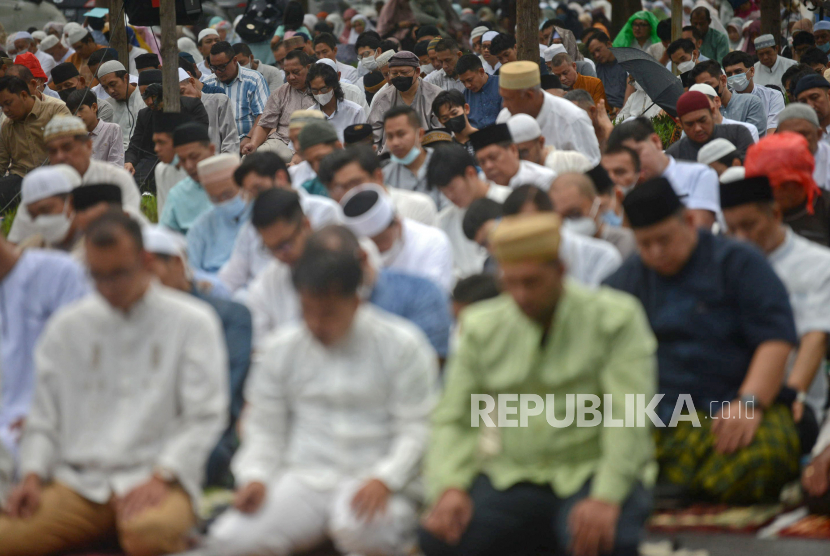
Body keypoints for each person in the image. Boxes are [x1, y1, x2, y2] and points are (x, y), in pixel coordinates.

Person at [420, 212, 656, 556]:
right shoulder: (482, 325)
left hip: (592, 468)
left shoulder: (615, 317)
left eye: (531, 282)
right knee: (442, 536)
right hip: (515, 474)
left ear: (560, 270)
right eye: (510, 283)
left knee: (602, 542)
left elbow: (630, 415)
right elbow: (454, 417)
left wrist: (606, 496)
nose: (520, 295)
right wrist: (450, 486)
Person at [194, 225, 438, 556]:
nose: (317, 324)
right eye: (307, 311)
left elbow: (417, 426)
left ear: (355, 300)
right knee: (230, 539)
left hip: (376, 475)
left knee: (357, 529)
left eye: (328, 313)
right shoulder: (284, 348)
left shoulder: (402, 344)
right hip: (305, 476)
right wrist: (256, 476)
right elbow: (265, 427)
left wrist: (387, 478)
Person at [0, 210, 229, 556]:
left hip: (157, 479)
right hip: (79, 483)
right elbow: (44, 415)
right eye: (97, 276)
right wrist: (32, 475)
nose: (108, 287)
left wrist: (163, 474)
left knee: (149, 534)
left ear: (146, 261)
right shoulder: (69, 326)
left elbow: (205, 414)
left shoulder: (192, 322)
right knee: (8, 537)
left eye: (119, 274)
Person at [603, 177, 801, 504]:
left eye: (663, 240)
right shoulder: (628, 279)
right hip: (658, 413)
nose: (655, 252)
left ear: (691, 222)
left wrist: (748, 403)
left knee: (763, 457)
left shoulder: (739, 263)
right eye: (644, 244)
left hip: (734, 404)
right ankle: (679, 486)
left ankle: (670, 488)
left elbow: (775, 341)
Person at [141, 225, 252, 487]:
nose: (146, 283)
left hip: (207, 432)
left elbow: (225, 389)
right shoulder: (137, 320)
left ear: (178, 264)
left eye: (151, 270)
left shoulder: (229, 316)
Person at [721, 175, 830, 440]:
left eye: (749, 226)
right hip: (726, 402)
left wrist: (793, 395)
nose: (741, 238)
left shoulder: (818, 264)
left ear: (775, 213)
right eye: (731, 229)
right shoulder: (721, 264)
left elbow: (814, 337)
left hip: (792, 404)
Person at [0, 167, 89, 459]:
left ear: (70, 204)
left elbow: (78, 352)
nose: (43, 222)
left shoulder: (63, 270)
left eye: (47, 210)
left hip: (51, 411)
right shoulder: (34, 250)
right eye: (35, 215)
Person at [218, 152, 342, 294]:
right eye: (250, 193)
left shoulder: (325, 212)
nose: (256, 199)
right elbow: (230, 281)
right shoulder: (251, 227)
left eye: (258, 189)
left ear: (280, 178)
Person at [608, 116, 720, 229]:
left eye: (637, 153)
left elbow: (700, 228)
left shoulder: (698, 174)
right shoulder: (624, 190)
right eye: (626, 162)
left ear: (655, 141)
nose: (635, 164)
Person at [341, 184, 453, 291]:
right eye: (369, 243)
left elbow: (430, 299)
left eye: (379, 241)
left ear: (397, 223)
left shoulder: (431, 242)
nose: (374, 248)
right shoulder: (353, 252)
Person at [427, 144, 511, 278]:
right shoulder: (443, 222)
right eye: (444, 192)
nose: (450, 197)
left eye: (452, 188)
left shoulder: (509, 201)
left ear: (470, 173)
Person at [496, 61, 600, 166]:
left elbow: (591, 169)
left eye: (508, 99)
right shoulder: (505, 118)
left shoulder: (572, 119)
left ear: (529, 96)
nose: (504, 105)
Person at [745, 132, 830, 247]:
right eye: (768, 186)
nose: (776, 191)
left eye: (783, 185)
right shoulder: (748, 213)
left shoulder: (825, 206)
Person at [0, 76, 70, 207]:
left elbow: (73, 148)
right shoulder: (7, 126)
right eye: (2, 106)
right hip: (21, 181)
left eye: (8, 103)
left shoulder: (56, 111)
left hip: (57, 176)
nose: (5, 110)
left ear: (23, 95)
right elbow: (1, 164)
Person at [243, 50, 315, 162]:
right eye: (287, 73)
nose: (291, 77)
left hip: (312, 142)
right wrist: (253, 144)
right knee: (249, 158)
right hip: (282, 141)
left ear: (308, 68)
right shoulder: (280, 92)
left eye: (296, 72)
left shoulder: (320, 90)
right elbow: (264, 125)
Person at [202, 41, 269, 155]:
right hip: (218, 147)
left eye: (222, 67)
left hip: (248, 143)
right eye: (214, 67)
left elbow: (263, 115)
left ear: (234, 60)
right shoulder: (207, 83)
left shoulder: (253, 79)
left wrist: (249, 138)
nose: (218, 71)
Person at [368, 51, 443, 153]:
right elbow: (373, 139)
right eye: (394, 73)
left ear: (417, 72)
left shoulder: (435, 95)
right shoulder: (382, 99)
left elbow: (441, 135)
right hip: (391, 157)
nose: (399, 76)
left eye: (404, 72)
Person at [186, 154, 248, 274]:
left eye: (228, 195)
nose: (223, 203)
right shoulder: (201, 227)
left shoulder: (260, 217)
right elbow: (191, 271)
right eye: (215, 199)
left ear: (243, 185)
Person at [550, 172, 637, 258]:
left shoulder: (625, 243)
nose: (566, 223)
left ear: (596, 204)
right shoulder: (557, 252)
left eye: (574, 213)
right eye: (559, 218)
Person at [381, 105, 445, 209]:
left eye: (401, 134)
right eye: (390, 136)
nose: (395, 142)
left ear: (419, 134)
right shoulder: (385, 177)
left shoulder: (446, 163)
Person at [667, 91, 755, 165]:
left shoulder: (738, 134)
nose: (698, 128)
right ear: (680, 123)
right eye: (690, 124)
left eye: (702, 120)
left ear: (713, 112)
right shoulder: (674, 155)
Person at [160, 122, 215, 234]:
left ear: (211, 150)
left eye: (194, 157)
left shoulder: (237, 182)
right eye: (182, 160)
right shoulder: (178, 195)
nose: (189, 166)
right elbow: (166, 239)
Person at [690, 60, 767, 138]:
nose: (706, 90)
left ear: (723, 80)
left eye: (708, 85)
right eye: (701, 88)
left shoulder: (751, 102)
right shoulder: (704, 111)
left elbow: (752, 138)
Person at [469, 123, 557, 191]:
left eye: (493, 157)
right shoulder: (478, 185)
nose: (488, 166)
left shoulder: (544, 179)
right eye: (482, 162)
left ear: (513, 150)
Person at [178, 67, 240, 155]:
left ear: (192, 82)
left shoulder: (219, 101)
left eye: (182, 91)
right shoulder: (177, 112)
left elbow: (230, 141)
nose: (182, 98)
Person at [506, 112, 591, 174]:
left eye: (523, 153)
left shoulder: (573, 162)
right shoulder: (510, 175)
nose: (518, 160)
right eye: (513, 154)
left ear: (541, 142)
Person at [722, 51, 785, 135]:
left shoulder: (773, 96)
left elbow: (772, 133)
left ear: (752, 71)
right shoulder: (724, 100)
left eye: (738, 72)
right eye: (729, 74)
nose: (733, 76)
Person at [776, 103, 830, 192]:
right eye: (789, 136)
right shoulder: (769, 164)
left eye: (803, 134)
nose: (796, 141)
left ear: (818, 134)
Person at [306, 63, 366, 142]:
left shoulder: (355, 112)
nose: (319, 94)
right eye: (315, 90)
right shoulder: (307, 116)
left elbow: (363, 144)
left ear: (334, 86)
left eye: (323, 89)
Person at [65, 87, 123, 167]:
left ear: (94, 107)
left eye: (81, 109)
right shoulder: (74, 137)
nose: (77, 115)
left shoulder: (113, 129)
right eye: (74, 113)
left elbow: (117, 164)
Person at [97, 60, 147, 152]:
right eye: (105, 88)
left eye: (113, 84)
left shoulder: (145, 98)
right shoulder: (106, 107)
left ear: (126, 78)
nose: (110, 91)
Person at [688, 83, 760, 143]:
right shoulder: (689, 135)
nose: (698, 109)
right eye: (692, 106)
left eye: (702, 103)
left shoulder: (745, 130)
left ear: (717, 101)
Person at [150, 112, 190, 216]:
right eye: (155, 143)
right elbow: (163, 213)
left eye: (161, 142)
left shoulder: (198, 169)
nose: (156, 149)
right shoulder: (161, 169)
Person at [295, 120, 343, 196]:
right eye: (310, 163)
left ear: (338, 147)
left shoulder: (362, 179)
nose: (317, 168)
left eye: (321, 159)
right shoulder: (307, 192)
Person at [455, 53, 502, 129]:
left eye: (470, 80)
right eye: (463, 82)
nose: (467, 85)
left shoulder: (502, 85)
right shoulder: (465, 95)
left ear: (481, 72)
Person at [585, 32, 628, 109]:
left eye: (598, 50)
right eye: (593, 54)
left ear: (608, 44)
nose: (597, 55)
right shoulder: (596, 69)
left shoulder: (627, 64)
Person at [432, 89, 478, 155]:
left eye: (454, 113)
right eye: (445, 118)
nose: (451, 119)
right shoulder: (447, 150)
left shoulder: (485, 138)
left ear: (466, 109)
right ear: (440, 121)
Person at [794, 74, 830, 144]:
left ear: (829, 95)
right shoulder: (801, 139)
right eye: (803, 102)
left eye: (814, 97)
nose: (810, 106)